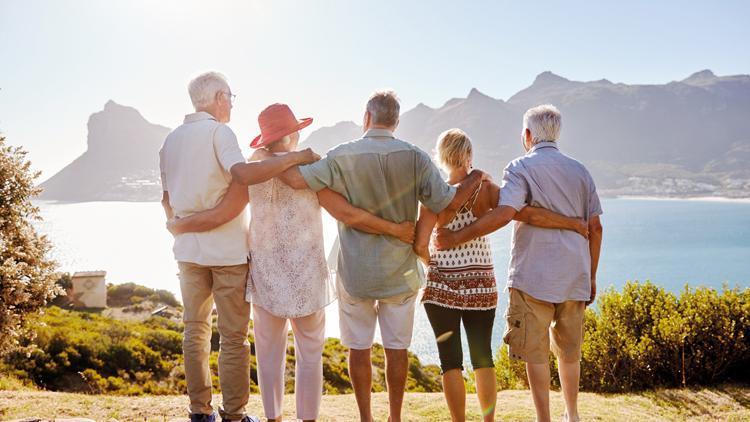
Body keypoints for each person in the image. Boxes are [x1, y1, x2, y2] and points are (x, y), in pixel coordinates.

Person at [168, 103, 415, 422]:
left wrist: (183, 224)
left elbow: (227, 211)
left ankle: (273, 418)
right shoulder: (309, 171)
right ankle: (308, 419)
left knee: (269, 355)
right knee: (310, 353)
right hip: (306, 277)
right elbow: (344, 212)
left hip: (266, 275)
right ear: (292, 134)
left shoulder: (252, 169)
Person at [274, 90, 489, 422]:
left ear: (366, 117)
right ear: (396, 121)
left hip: (355, 272)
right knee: (397, 349)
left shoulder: (341, 155)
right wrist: (475, 176)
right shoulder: (416, 157)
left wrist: (293, 156)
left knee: (358, 349)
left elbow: (293, 180)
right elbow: (445, 202)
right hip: (400, 273)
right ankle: (395, 417)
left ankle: (365, 418)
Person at [159, 72, 318, 422]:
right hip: (227, 254)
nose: (232, 102)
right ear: (218, 97)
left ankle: (199, 411)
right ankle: (234, 415)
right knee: (232, 338)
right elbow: (244, 177)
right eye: (230, 96)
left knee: (194, 330)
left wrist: (182, 226)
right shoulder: (220, 132)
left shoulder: (170, 141)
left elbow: (167, 200)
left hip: (187, 254)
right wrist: (296, 156)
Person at [436, 105, 604, 422]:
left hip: (532, 277)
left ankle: (544, 419)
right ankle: (573, 414)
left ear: (527, 135)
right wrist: (591, 277)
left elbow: (505, 213)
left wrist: (459, 237)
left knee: (536, 354)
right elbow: (595, 228)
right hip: (575, 276)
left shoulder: (519, 167)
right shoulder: (581, 171)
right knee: (569, 353)